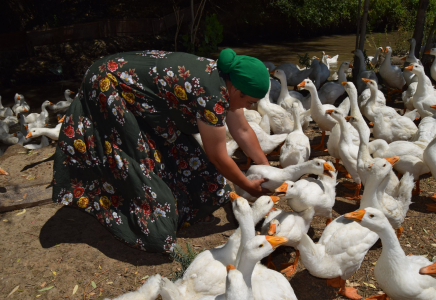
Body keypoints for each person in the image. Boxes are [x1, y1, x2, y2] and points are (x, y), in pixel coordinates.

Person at [52, 48, 270, 253]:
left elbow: (241, 129)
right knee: (136, 157)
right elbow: (218, 157)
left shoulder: (225, 80)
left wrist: (268, 171)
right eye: (250, 102)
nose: (250, 107)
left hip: (135, 89)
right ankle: (132, 211)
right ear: (236, 90)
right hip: (107, 84)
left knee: (192, 166)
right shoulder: (212, 96)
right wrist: (247, 185)